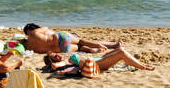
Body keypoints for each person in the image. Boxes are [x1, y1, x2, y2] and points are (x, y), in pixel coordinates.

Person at [24, 24, 152, 70]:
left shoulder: (30, 48)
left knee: (80, 47)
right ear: (31, 29)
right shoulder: (35, 32)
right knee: (81, 40)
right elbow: (46, 28)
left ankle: (92, 50)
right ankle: (109, 45)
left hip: (61, 49)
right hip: (61, 38)